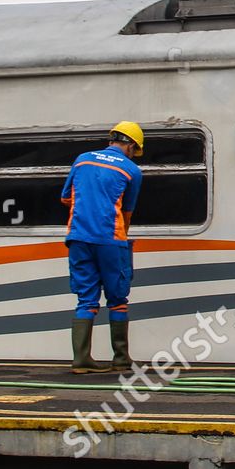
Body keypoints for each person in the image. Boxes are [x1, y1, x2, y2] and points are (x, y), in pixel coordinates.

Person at [61, 121, 144, 375]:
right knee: (118, 299)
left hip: (78, 237)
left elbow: (65, 198)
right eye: (136, 149)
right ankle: (121, 359)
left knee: (86, 299)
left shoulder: (82, 159)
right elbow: (127, 211)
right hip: (111, 239)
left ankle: (81, 360)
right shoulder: (131, 170)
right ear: (130, 145)